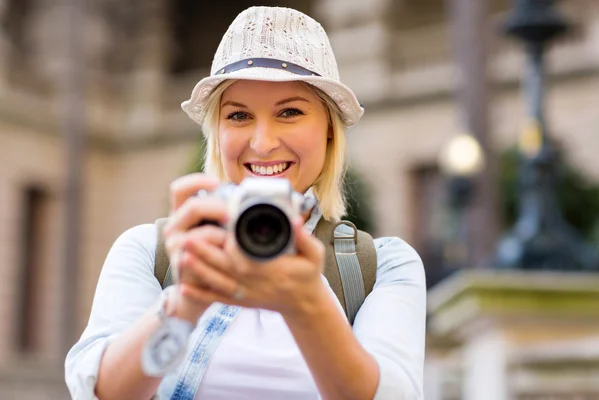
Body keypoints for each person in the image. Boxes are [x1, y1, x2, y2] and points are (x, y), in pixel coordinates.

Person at [65, 6, 426, 400]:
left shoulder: (381, 266)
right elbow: (102, 392)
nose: (262, 142)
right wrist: (187, 300)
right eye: (238, 115)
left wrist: (307, 301)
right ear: (216, 132)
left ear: (328, 128)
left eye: (290, 112)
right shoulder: (151, 252)